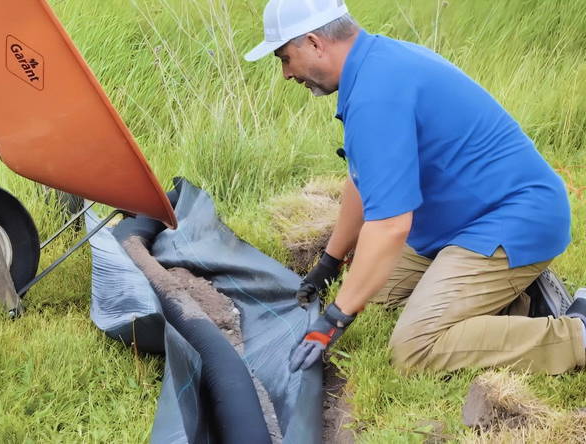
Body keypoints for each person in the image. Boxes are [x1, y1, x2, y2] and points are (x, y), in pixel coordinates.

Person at [244, 0, 586, 374]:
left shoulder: (377, 94)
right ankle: (513, 303)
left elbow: (391, 225)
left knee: (415, 349)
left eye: (284, 58)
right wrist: (329, 263)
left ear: (313, 42)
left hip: (513, 220)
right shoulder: (374, 65)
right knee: (374, 297)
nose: (286, 74)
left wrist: (335, 319)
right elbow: (363, 182)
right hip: (459, 223)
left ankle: (576, 334)